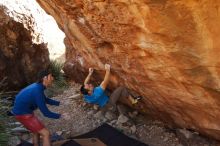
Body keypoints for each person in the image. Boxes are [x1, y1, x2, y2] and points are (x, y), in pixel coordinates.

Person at [12, 70, 67, 146]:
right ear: (45, 78)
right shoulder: (37, 90)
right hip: (23, 114)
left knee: (36, 131)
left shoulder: (38, 86)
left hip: (21, 112)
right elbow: (46, 113)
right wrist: (61, 116)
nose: (53, 78)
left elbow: (45, 99)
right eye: (50, 76)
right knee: (46, 134)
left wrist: (59, 103)